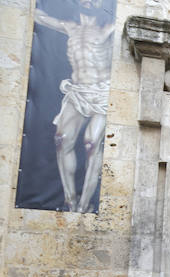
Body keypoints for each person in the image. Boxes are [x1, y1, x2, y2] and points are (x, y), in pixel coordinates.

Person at [33, 1, 115, 213]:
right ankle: (71, 200)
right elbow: (39, 16)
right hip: (78, 90)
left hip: (101, 92)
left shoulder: (108, 28)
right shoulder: (70, 27)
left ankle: (85, 203)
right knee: (61, 139)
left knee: (91, 143)